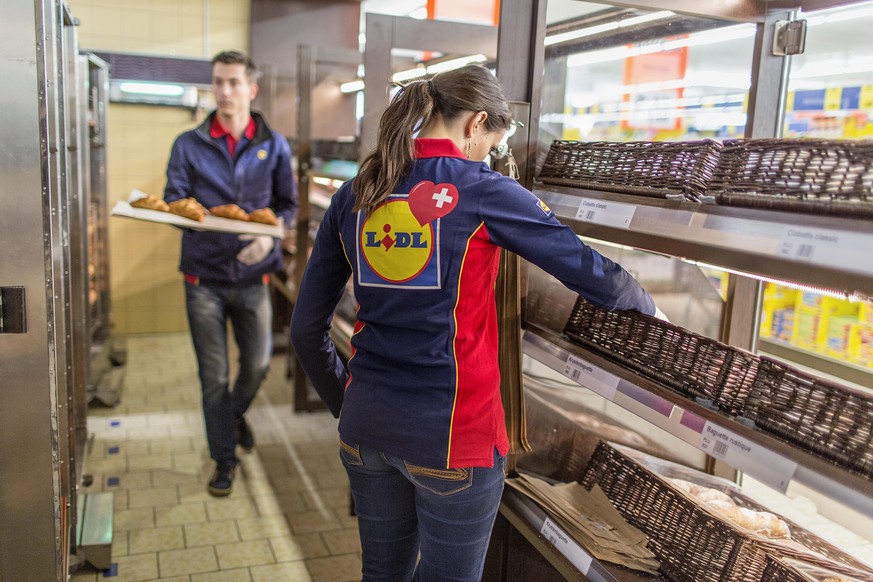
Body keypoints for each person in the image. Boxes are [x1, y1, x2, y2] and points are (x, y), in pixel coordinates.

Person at [290, 64, 657, 581]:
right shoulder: (482, 190)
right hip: (453, 435)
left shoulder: (357, 193)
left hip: (365, 429)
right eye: (493, 143)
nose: (490, 155)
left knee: (382, 575)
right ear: (476, 122)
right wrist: (649, 308)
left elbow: (306, 330)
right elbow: (587, 269)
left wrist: (346, 403)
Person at [164, 50, 296, 497]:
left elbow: (288, 206)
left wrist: (270, 237)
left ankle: (231, 416)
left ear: (251, 88)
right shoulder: (188, 144)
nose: (224, 91)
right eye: (218, 82)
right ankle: (223, 460)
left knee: (258, 365)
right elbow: (174, 202)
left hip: (255, 276)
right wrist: (199, 218)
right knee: (214, 377)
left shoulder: (274, 144)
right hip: (203, 279)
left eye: (233, 82)